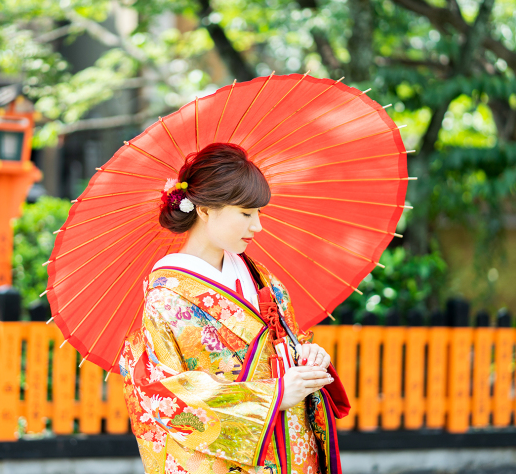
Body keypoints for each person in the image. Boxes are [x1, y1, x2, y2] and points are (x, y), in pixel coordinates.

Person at [119, 142, 349, 474]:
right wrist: (274, 395)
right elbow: (168, 398)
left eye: (258, 213)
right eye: (245, 213)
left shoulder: (260, 277)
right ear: (205, 210)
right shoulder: (166, 299)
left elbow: (289, 340)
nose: (257, 226)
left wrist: (309, 356)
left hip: (295, 451)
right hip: (235, 462)